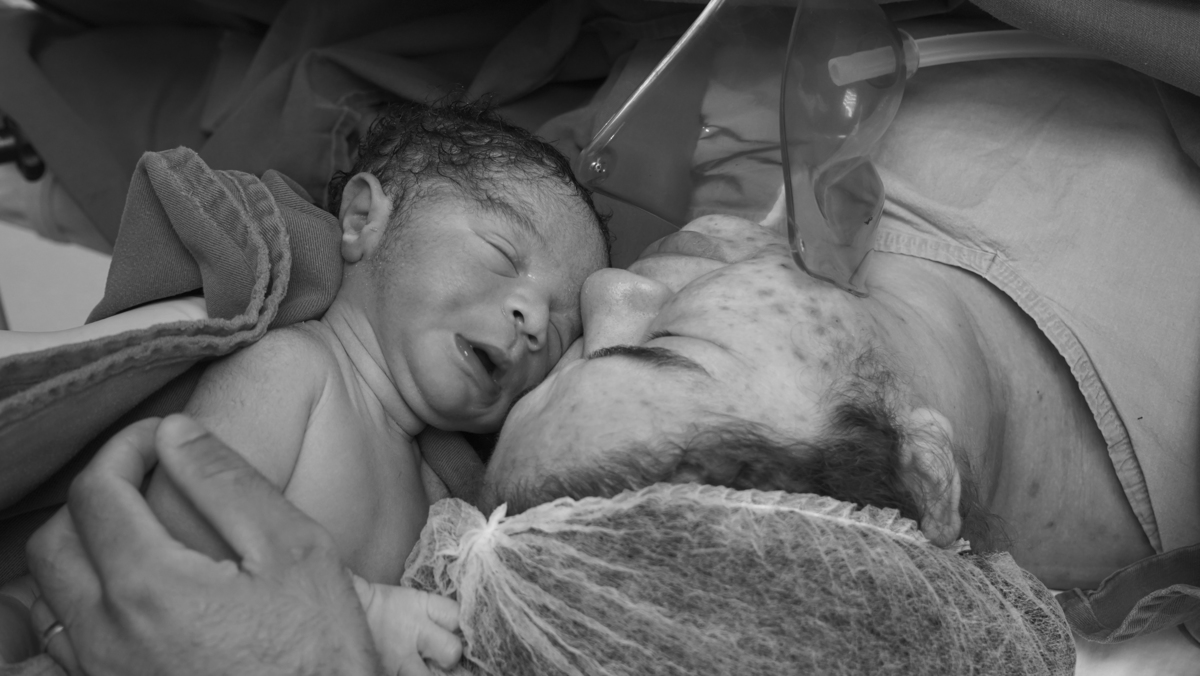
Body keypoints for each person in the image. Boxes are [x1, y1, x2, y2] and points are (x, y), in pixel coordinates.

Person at [2, 99, 611, 672]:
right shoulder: (295, 370)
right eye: (503, 254)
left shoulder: (442, 498)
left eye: (560, 330)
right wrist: (363, 614)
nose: (534, 320)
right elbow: (175, 541)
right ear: (363, 220)